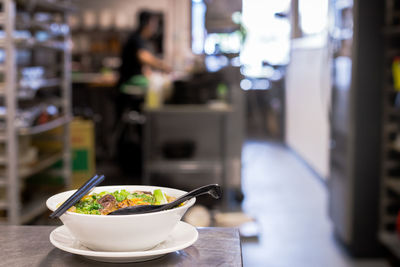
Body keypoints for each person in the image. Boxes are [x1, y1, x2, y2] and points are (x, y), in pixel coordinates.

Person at [115, 10, 170, 177]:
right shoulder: (136, 39)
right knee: (132, 130)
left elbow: (143, 67)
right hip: (127, 92)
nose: (155, 28)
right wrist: (163, 66)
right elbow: (144, 58)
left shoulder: (141, 40)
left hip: (131, 90)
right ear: (147, 24)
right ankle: (132, 167)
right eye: (153, 24)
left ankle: (139, 163)